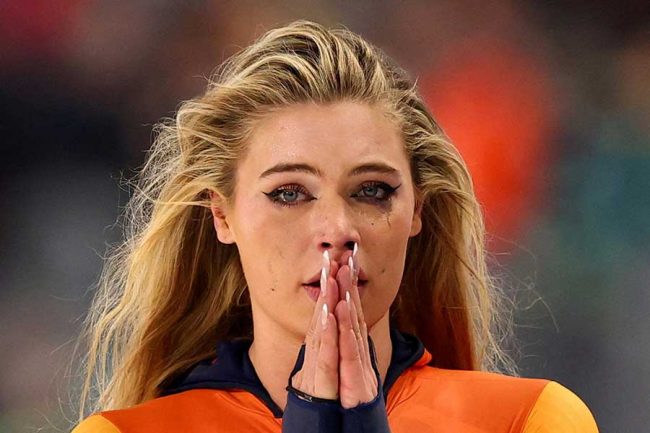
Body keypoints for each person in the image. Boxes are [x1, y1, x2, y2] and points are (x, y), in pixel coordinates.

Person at [71, 20, 598, 433]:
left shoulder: (528, 421)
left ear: (417, 210)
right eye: (289, 193)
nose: (337, 228)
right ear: (222, 215)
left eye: (372, 191)